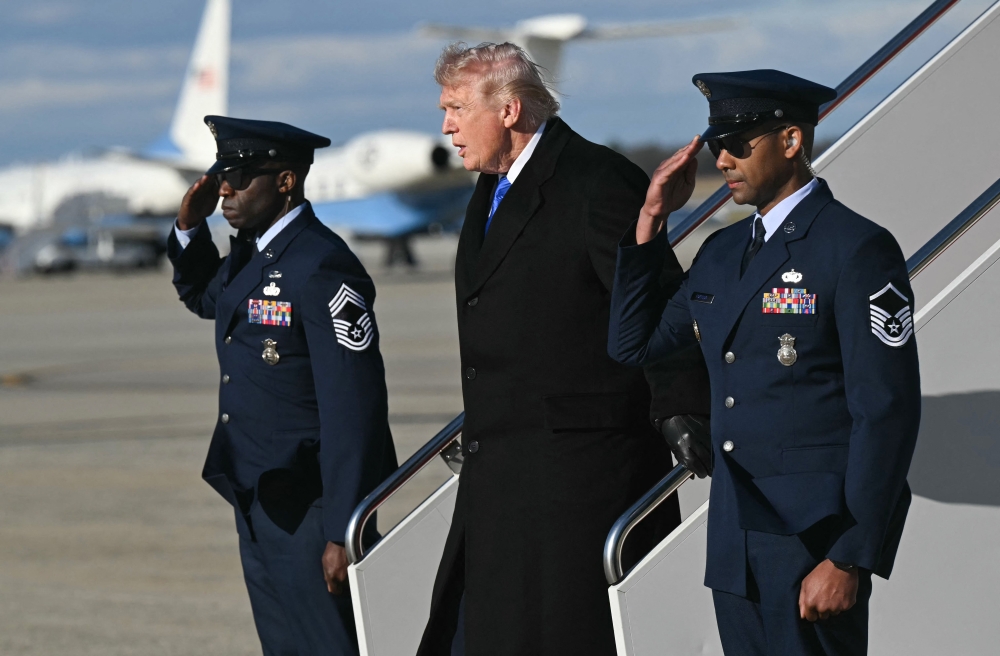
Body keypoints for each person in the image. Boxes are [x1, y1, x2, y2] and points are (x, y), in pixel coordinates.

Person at [607, 69, 921, 655]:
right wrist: (651, 221)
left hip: (815, 540)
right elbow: (634, 343)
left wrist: (850, 555)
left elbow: (887, 411)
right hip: (736, 534)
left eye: (737, 142)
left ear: (791, 141)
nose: (722, 158)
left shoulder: (854, 247)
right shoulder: (723, 252)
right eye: (715, 144)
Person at [417, 43, 711, 655]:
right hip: (502, 476)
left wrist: (681, 406)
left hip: (579, 482)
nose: (445, 125)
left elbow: (656, 301)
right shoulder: (489, 189)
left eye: (454, 108)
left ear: (508, 110)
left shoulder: (596, 182)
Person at [167, 115, 397, 655]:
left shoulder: (320, 264)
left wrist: (343, 528)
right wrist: (188, 229)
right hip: (258, 497)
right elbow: (207, 297)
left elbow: (354, 404)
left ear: (286, 182)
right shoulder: (255, 255)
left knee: (328, 645)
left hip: (310, 505)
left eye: (241, 175)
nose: (225, 186)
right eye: (222, 172)